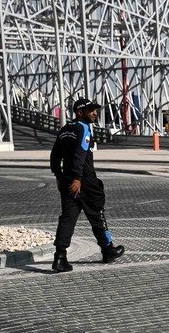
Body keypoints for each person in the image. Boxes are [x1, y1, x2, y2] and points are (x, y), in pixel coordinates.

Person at [49, 98, 124, 272]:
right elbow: (80, 155)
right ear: (80, 112)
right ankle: (107, 249)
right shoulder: (83, 128)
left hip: (68, 180)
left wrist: (60, 177)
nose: (95, 113)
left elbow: (54, 156)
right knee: (97, 214)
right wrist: (78, 178)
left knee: (67, 218)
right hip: (84, 180)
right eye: (91, 110)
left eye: (95, 110)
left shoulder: (65, 130)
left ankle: (60, 257)